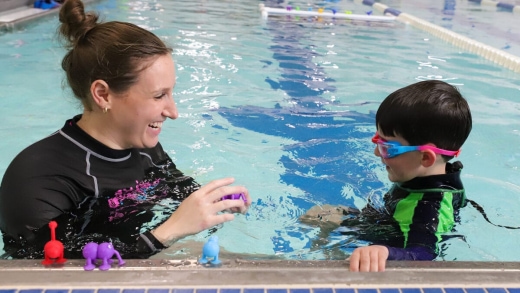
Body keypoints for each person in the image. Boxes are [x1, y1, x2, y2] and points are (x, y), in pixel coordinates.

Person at [0, 0, 250, 259]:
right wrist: (167, 234)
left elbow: (176, 188)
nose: (173, 112)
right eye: (158, 95)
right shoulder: (39, 176)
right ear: (103, 94)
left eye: (171, 93)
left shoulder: (144, 147)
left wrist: (215, 202)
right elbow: (42, 268)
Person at [347, 80, 472, 272]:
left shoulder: (429, 207)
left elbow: (423, 255)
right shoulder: (424, 176)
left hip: (395, 243)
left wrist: (385, 252)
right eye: (377, 141)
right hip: (392, 222)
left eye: (387, 147)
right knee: (324, 214)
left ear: (425, 157)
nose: (377, 153)